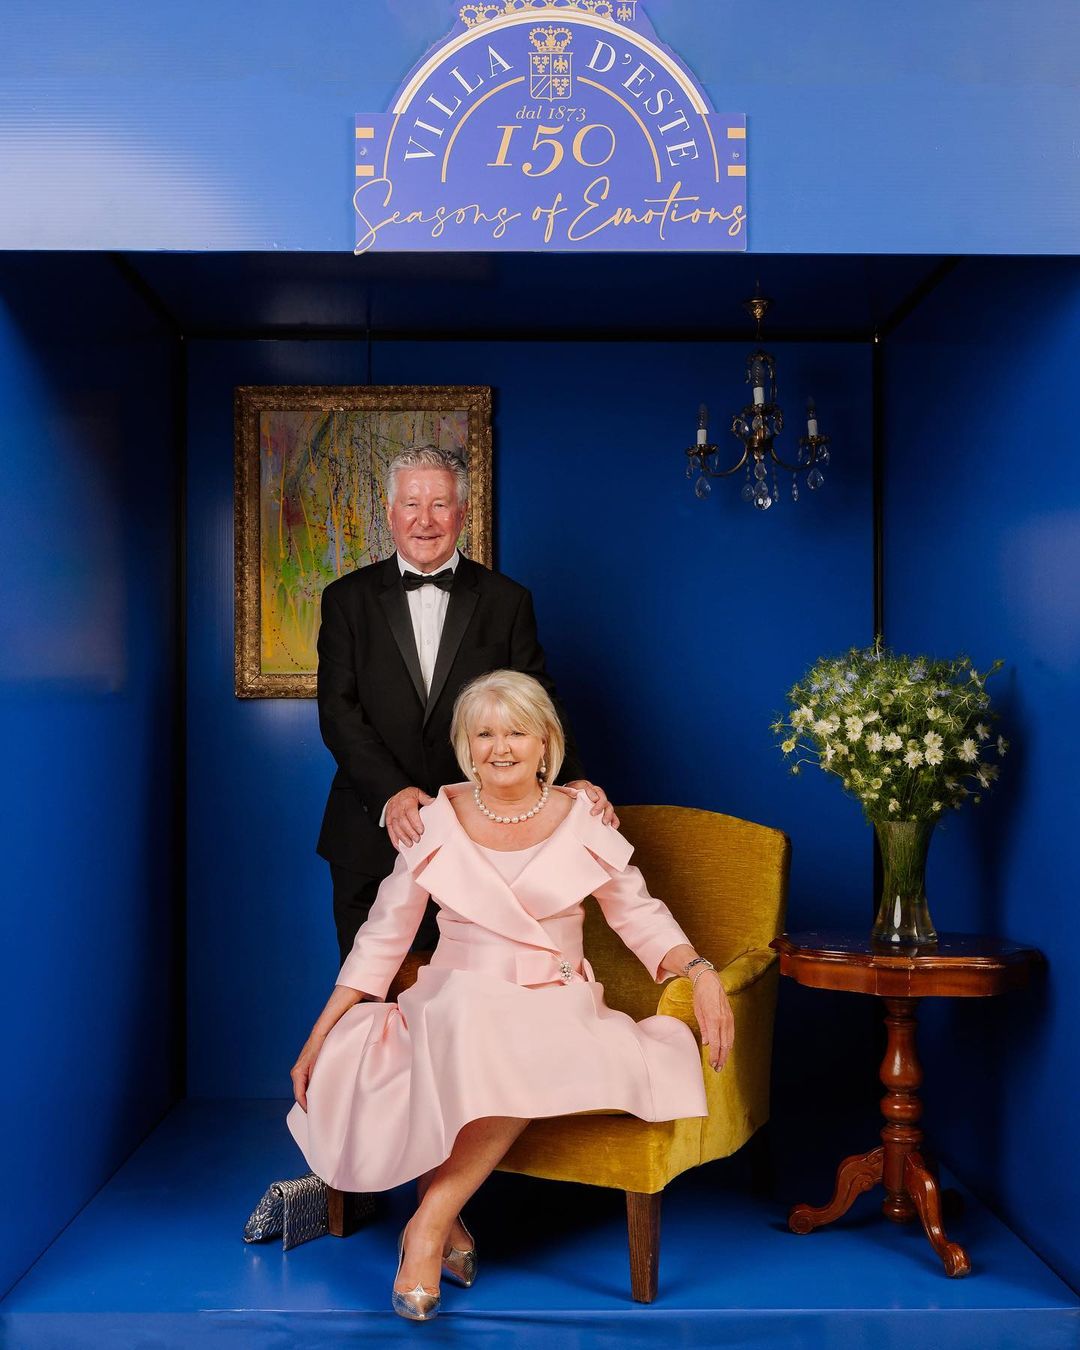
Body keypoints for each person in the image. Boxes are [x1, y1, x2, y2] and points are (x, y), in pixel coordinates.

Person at [289, 670, 734, 1321]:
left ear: (545, 742)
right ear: (466, 747)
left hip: (556, 999)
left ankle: (427, 1224)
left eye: (517, 732)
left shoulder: (585, 819)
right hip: (455, 996)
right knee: (471, 1020)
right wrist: (320, 1031)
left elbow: (638, 915)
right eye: (484, 734)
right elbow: (384, 934)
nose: (501, 747)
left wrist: (699, 970)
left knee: (523, 1035)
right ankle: (441, 1221)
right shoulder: (433, 822)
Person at [315, 445, 615, 962]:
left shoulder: (507, 600)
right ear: (390, 512)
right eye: (411, 504)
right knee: (370, 989)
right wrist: (392, 793)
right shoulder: (345, 599)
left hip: (481, 836)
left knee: (467, 990)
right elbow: (338, 711)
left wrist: (574, 782)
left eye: (439, 505)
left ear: (462, 512)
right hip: (370, 832)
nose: (425, 520)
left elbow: (539, 703)